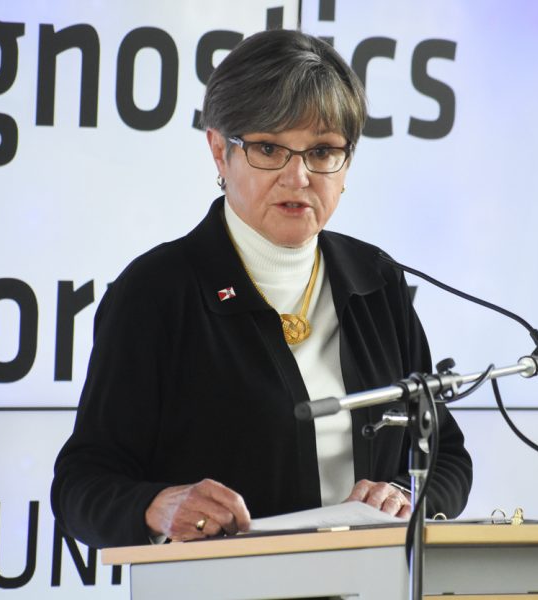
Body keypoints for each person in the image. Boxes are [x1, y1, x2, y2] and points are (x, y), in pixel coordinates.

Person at [51, 29, 472, 549]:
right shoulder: (158, 292)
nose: (298, 177)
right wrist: (156, 507)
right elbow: (81, 486)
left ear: (347, 164)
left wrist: (408, 496)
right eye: (269, 148)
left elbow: (447, 457)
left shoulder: (375, 281)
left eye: (322, 151)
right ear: (218, 151)